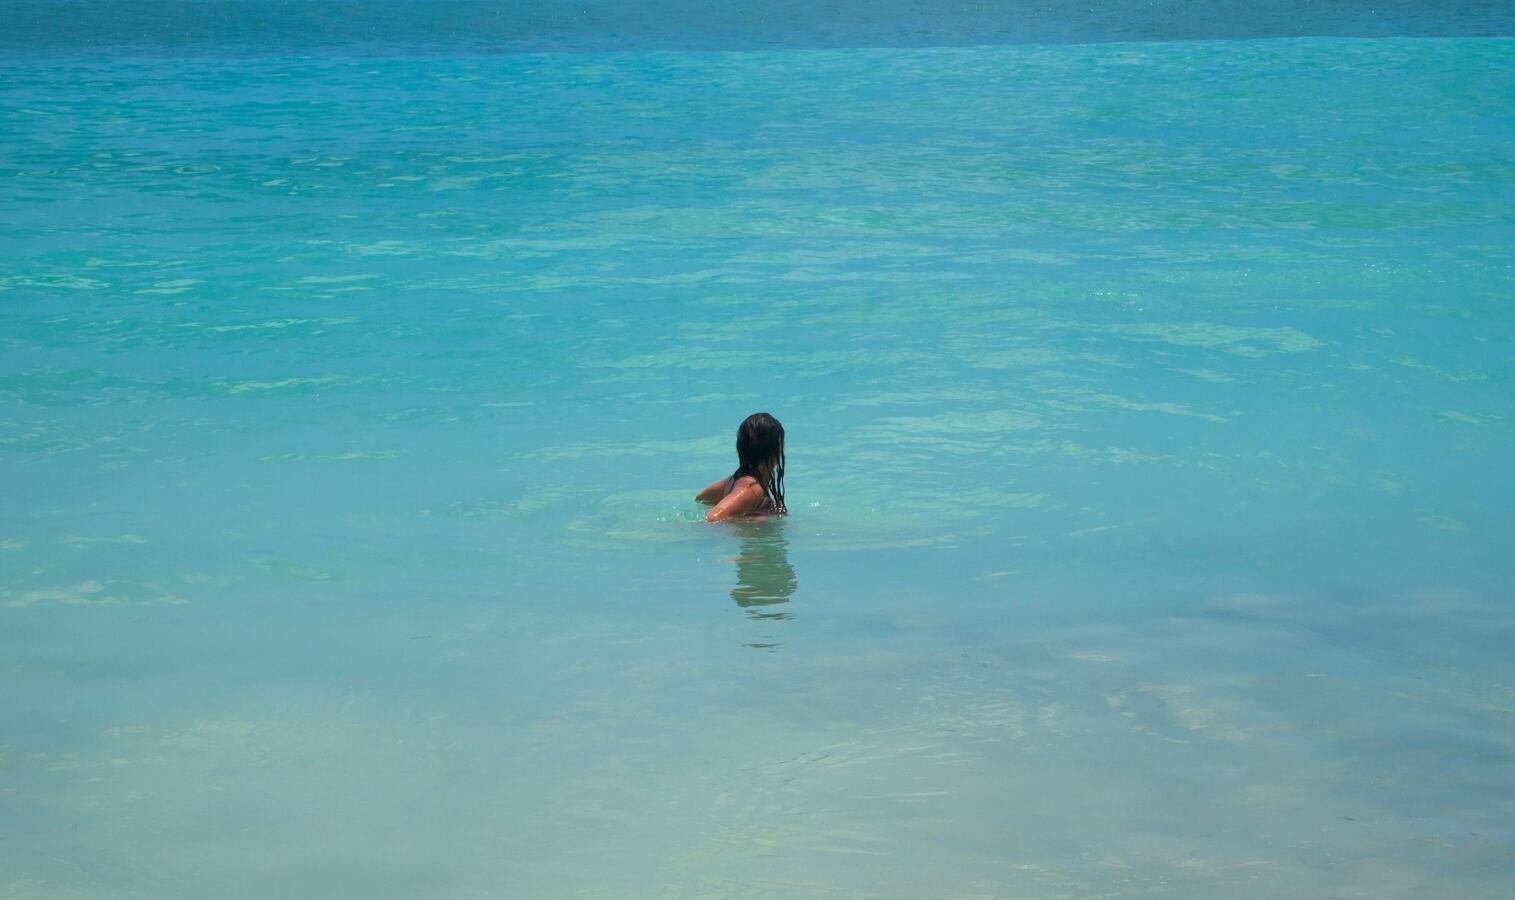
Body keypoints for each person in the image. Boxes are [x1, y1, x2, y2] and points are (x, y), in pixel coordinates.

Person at [696, 412, 787, 522]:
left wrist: (742, 513)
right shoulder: (753, 489)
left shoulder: (733, 480)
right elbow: (713, 517)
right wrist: (742, 525)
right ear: (776, 448)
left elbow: (702, 498)